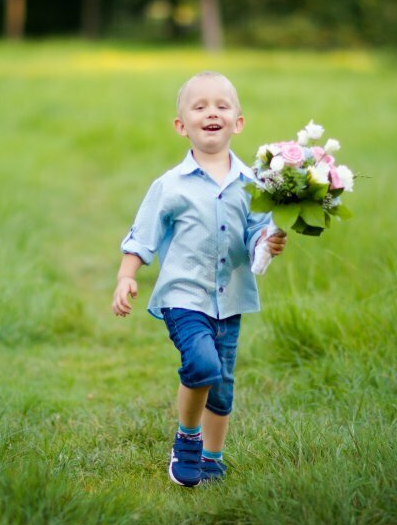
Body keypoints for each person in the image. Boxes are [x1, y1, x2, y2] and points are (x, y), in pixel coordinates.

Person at [112, 71, 287, 487]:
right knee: (202, 364)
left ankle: (212, 459)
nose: (212, 113)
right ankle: (187, 439)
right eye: (200, 106)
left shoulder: (252, 185)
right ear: (181, 126)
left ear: (238, 122)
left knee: (222, 387)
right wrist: (126, 276)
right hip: (183, 296)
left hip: (230, 298)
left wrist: (269, 240)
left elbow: (257, 230)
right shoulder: (170, 185)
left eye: (222, 106)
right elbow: (143, 233)